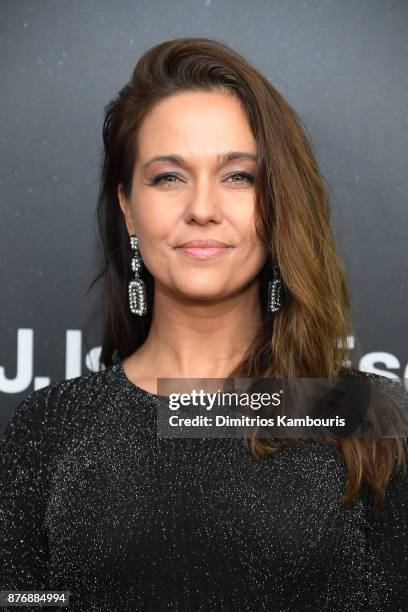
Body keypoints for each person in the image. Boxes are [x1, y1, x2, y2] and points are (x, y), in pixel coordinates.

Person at [1, 36, 408, 612]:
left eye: (238, 176)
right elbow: (24, 599)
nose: (202, 207)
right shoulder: (49, 429)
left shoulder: (365, 410)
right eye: (169, 177)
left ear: (278, 202)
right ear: (127, 206)